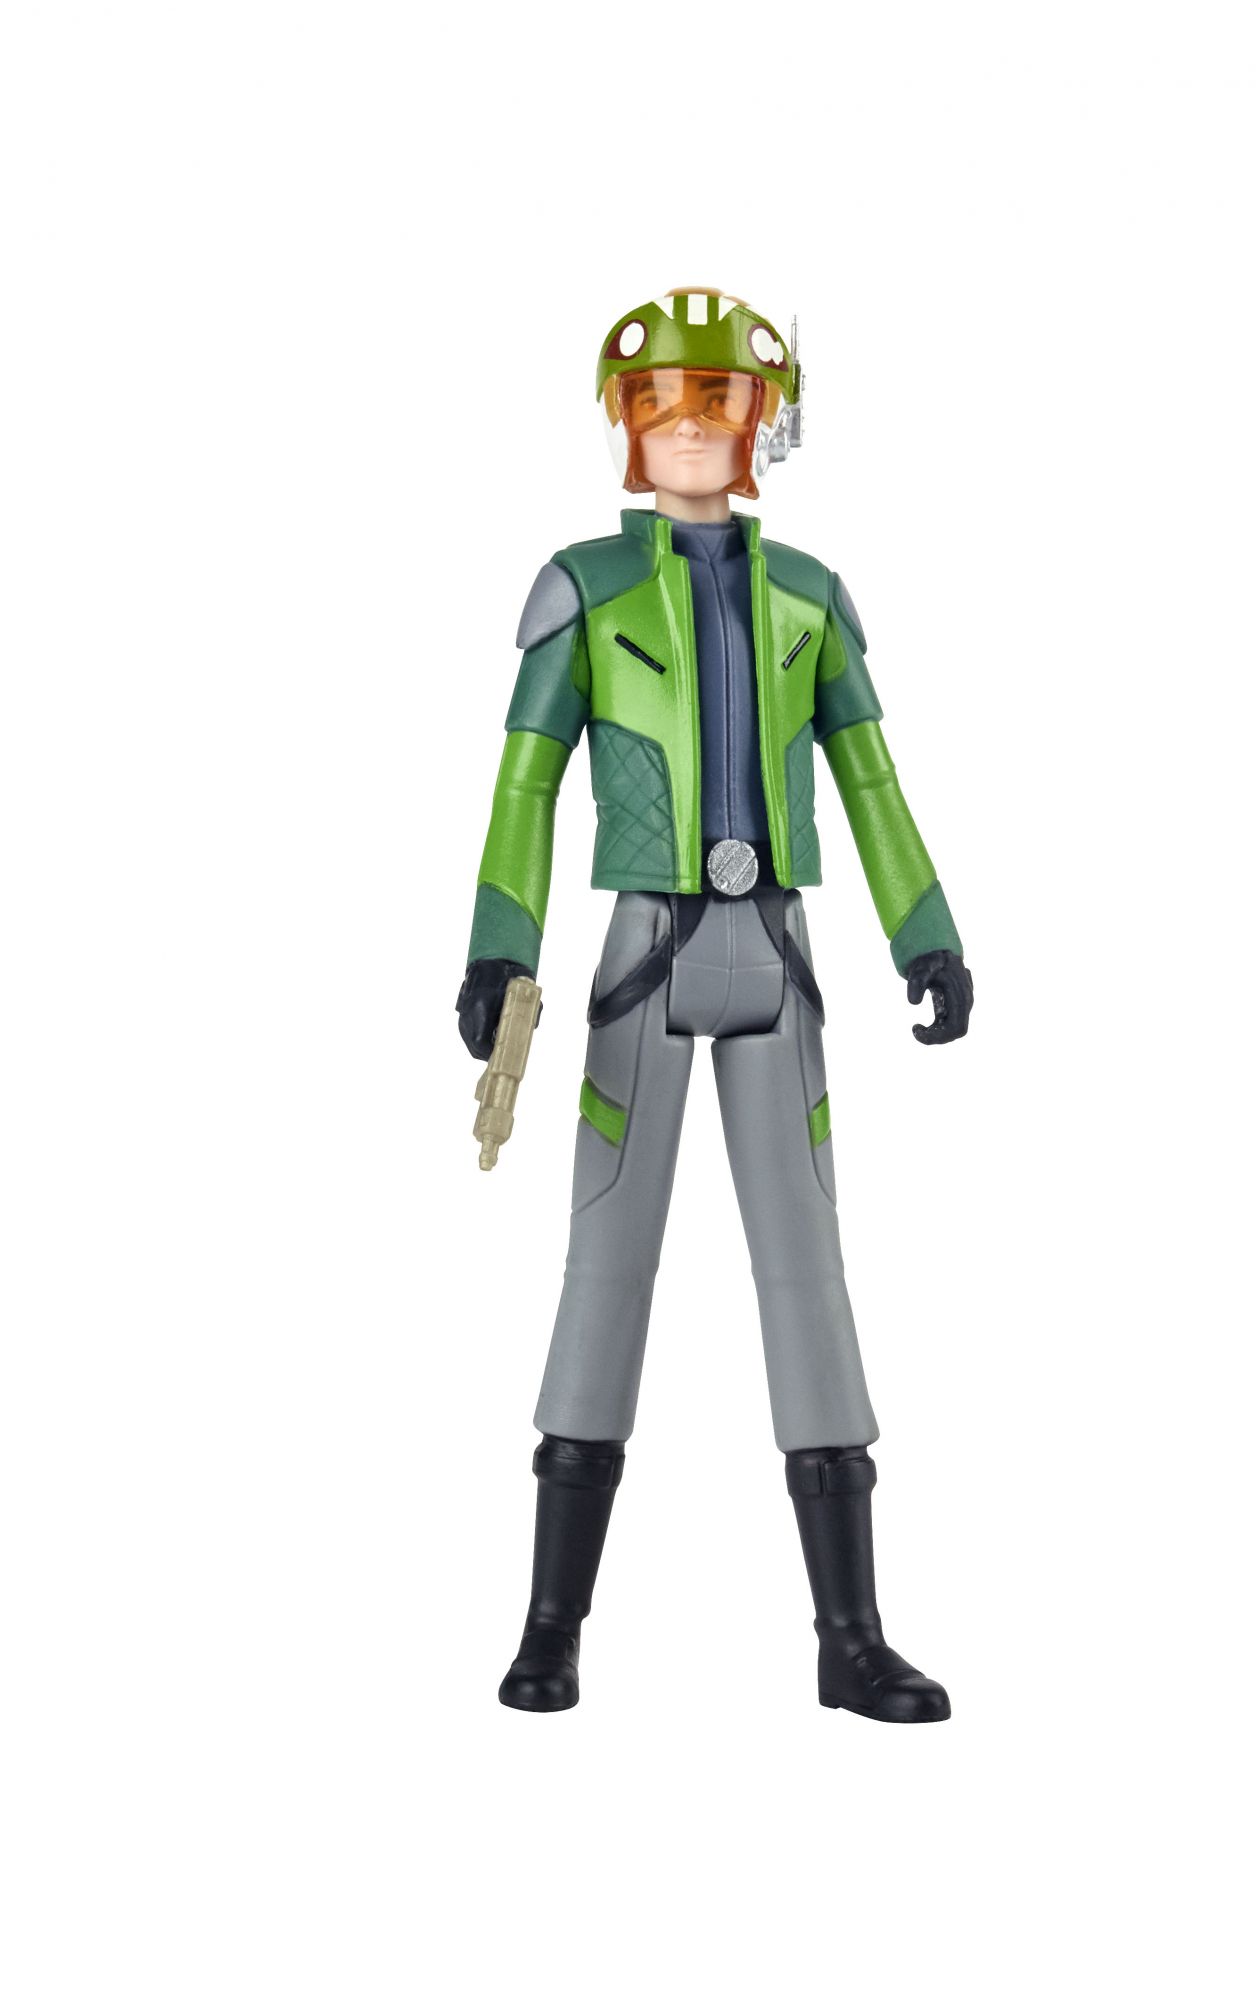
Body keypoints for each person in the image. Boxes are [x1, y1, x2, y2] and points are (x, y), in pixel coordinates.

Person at [458, 287, 973, 1722]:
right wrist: (498, 946)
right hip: (642, 949)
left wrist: (925, 933)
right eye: (662, 404)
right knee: (604, 1274)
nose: (689, 427)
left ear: (763, 425)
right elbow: (524, 785)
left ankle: (850, 1636)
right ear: (625, 426)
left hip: (779, 956)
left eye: (718, 401)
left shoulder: (810, 594)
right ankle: (551, 1626)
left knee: (809, 1275)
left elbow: (870, 780)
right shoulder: (583, 588)